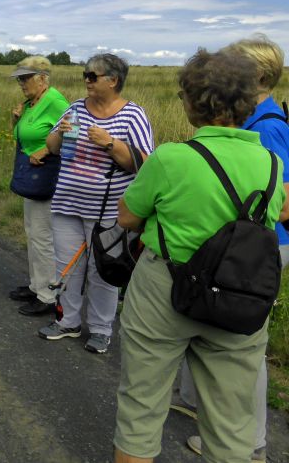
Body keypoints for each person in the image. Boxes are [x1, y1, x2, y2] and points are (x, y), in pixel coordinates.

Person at [113, 48, 289, 463]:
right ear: (247, 101)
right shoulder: (270, 162)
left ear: (192, 102)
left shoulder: (171, 158)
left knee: (142, 407)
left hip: (165, 287)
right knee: (232, 422)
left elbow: (126, 217)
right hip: (240, 293)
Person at [169, 35, 288, 462]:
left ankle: (249, 437)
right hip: (234, 246)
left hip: (251, 250)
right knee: (219, 328)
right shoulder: (254, 119)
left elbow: (283, 197)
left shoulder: (268, 127)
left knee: (244, 344)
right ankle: (204, 407)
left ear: (255, 75)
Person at [37, 53, 153, 354]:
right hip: (67, 203)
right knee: (67, 267)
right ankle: (68, 322)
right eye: (85, 75)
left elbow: (145, 163)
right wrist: (59, 135)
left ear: (113, 80)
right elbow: (51, 147)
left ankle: (101, 329)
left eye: (92, 76)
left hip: (108, 210)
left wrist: (110, 143)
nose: (86, 81)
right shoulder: (75, 108)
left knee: (103, 270)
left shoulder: (133, 115)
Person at [6, 56, 70, 315]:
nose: (21, 83)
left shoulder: (56, 102)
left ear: (43, 78)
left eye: (26, 78)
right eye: (20, 78)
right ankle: (36, 285)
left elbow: (70, 132)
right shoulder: (31, 103)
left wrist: (45, 150)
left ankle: (48, 296)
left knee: (43, 237)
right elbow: (22, 135)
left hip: (47, 175)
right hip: (30, 174)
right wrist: (15, 120)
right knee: (33, 232)